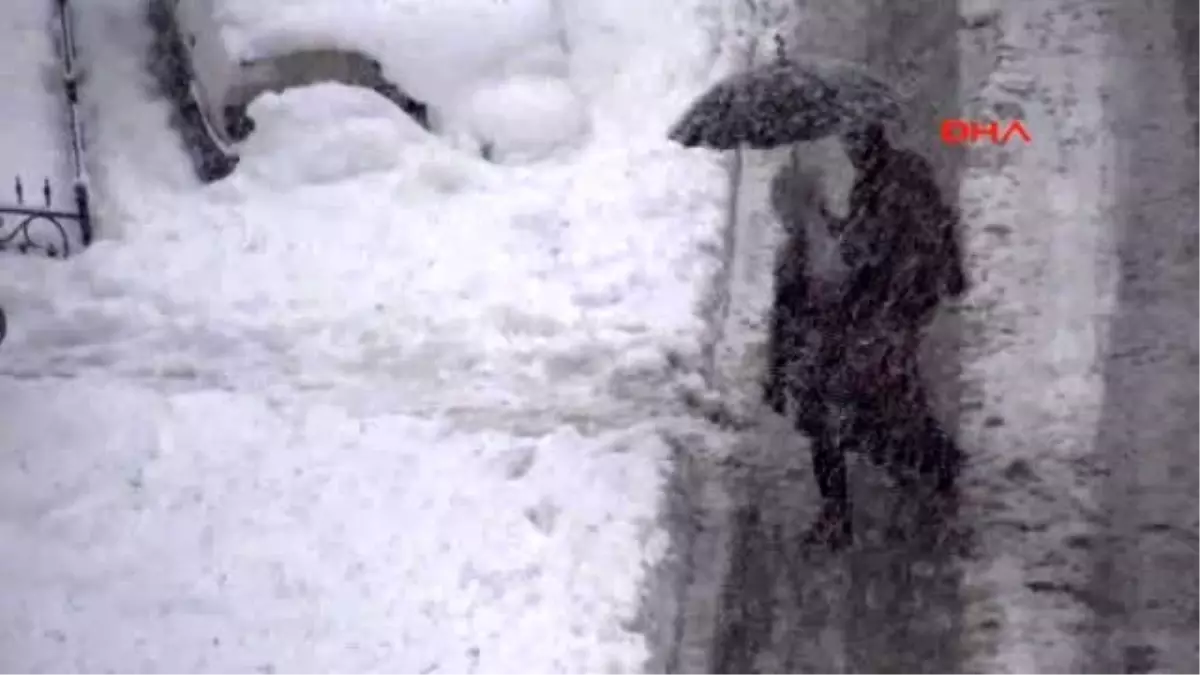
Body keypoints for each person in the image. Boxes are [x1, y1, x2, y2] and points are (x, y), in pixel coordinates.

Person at [763, 122, 968, 548]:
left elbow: (794, 316)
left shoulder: (872, 198)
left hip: (883, 319)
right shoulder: (875, 194)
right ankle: (930, 467)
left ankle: (923, 472)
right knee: (882, 409)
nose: (851, 152)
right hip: (886, 318)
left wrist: (780, 372)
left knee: (866, 417)